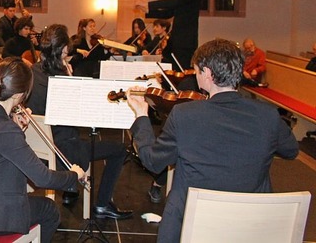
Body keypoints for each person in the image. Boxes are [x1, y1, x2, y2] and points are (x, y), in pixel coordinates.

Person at [126, 38, 299, 242]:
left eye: (197, 70)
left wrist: (141, 117)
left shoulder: (184, 115)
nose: (195, 75)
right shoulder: (268, 115)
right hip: (249, 228)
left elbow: (152, 161)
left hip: (193, 225)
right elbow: (290, 151)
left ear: (207, 73)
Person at [0, 57, 85, 243]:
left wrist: (16, 128)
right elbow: (43, 178)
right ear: (19, 95)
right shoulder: (6, 130)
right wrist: (73, 175)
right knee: (50, 210)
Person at [27, 24, 133, 220]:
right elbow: (76, 113)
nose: (67, 59)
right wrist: (71, 78)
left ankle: (70, 191)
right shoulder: (61, 79)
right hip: (63, 149)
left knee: (73, 136)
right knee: (119, 150)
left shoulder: (32, 71)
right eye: (66, 55)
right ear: (60, 53)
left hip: (36, 145)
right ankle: (101, 204)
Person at [136, 0, 201, 72]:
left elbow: (175, 2)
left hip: (186, 40)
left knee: (182, 72)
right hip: (178, 39)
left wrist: (150, 4)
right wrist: (148, 11)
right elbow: (170, 12)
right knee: (171, 68)